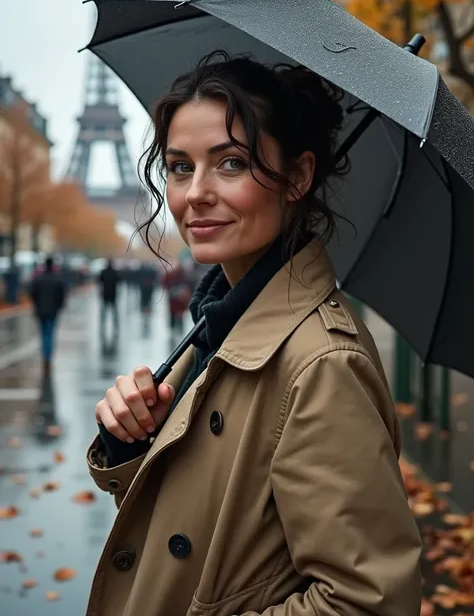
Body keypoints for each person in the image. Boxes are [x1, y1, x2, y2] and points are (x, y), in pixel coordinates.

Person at [87, 53, 422, 616]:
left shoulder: (321, 364)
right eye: (179, 166)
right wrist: (134, 443)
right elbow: (211, 531)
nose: (195, 193)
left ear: (298, 176)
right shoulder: (220, 323)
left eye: (232, 163)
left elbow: (368, 602)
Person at [29, 255, 66, 379]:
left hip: (40, 311)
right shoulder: (57, 279)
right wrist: (59, 307)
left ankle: (45, 356)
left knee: (43, 334)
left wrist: (36, 305)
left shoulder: (38, 279)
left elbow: (33, 294)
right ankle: (48, 357)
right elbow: (62, 296)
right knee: (50, 334)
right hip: (52, 312)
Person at [161, 261, 192, 338]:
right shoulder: (171, 275)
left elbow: (189, 284)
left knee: (178, 314)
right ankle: (174, 328)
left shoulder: (182, 275)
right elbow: (165, 284)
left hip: (179, 299)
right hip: (174, 298)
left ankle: (177, 328)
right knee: (174, 313)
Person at [98, 259, 120, 342]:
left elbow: (100, 281)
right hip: (113, 294)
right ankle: (115, 325)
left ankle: (102, 324)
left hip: (105, 294)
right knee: (114, 311)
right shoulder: (115, 272)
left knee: (104, 311)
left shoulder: (103, 272)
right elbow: (118, 281)